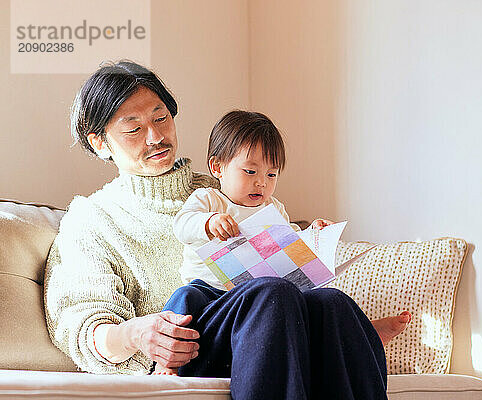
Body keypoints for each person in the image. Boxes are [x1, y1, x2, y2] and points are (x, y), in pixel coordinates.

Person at [44, 60, 411, 400]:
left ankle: (352, 337)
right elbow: (79, 327)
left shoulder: (232, 187)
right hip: (191, 343)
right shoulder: (91, 218)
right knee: (270, 295)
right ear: (100, 142)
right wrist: (139, 334)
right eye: (134, 128)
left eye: (161, 118)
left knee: (333, 305)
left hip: (265, 326)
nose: (155, 136)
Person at [153, 110, 336, 375]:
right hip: (212, 295)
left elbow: (292, 241)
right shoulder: (209, 200)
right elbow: (181, 226)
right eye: (250, 171)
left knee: (313, 301)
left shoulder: (273, 207)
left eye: (272, 175)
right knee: (185, 296)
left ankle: (361, 334)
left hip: (259, 300)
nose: (261, 182)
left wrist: (315, 233)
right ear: (217, 167)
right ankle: (165, 360)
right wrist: (209, 222)